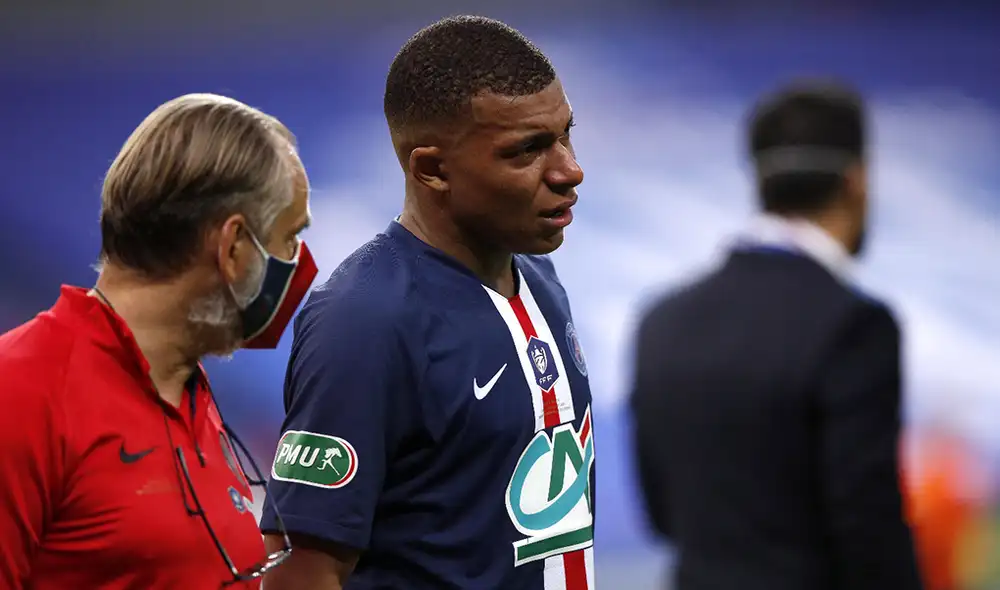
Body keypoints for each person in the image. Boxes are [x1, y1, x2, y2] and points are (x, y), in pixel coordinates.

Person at [260, 15, 595, 590]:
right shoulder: (363, 323)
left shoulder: (540, 280)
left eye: (566, 134)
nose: (570, 170)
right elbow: (299, 574)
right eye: (528, 150)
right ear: (433, 169)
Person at [0, 93, 317, 589]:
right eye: (290, 238)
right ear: (233, 247)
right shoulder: (21, 391)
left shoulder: (189, 392)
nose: (299, 263)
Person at [629, 81, 924, 590]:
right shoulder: (853, 326)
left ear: (760, 181)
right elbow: (868, 531)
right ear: (857, 182)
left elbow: (661, 514)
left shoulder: (663, 320)